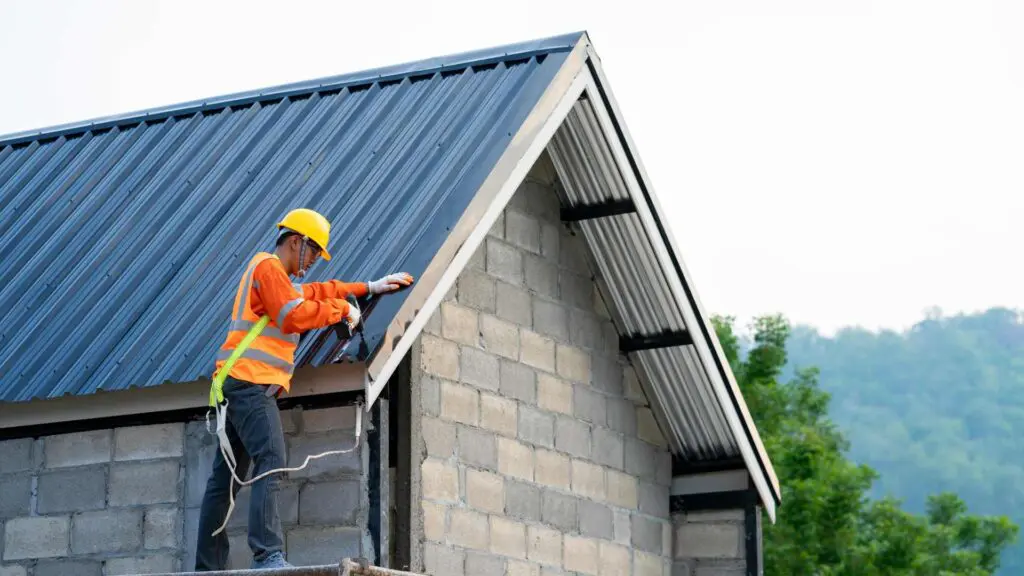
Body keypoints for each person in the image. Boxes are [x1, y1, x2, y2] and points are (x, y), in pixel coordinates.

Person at [194, 208, 413, 571]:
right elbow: (293, 315)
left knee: (224, 480)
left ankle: (207, 566)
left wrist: (368, 288)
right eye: (313, 252)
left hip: (238, 384)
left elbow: (319, 290)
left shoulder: (276, 277)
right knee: (271, 460)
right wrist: (341, 311)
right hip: (250, 384)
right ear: (296, 241)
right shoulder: (267, 268)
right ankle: (267, 555)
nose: (313, 261)